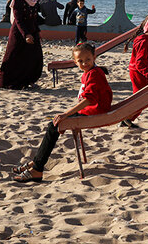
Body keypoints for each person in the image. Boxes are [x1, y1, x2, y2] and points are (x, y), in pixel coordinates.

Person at [12, 43, 112, 183]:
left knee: (54, 126)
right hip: (91, 110)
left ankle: (37, 169)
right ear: (75, 62)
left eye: (88, 59)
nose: (84, 63)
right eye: (80, 61)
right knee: (53, 124)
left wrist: (65, 114)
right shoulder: (89, 73)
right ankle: (36, 163)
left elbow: (89, 100)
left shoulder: (95, 74)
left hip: (95, 112)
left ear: (94, 56)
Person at [0, 0, 44, 90]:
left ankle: (29, 80)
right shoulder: (18, 1)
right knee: (15, 57)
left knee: (35, 57)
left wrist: (37, 32)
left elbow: (34, 18)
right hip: (19, 34)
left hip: (33, 33)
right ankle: (9, 82)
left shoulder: (34, 0)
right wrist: (26, 35)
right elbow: (18, 20)